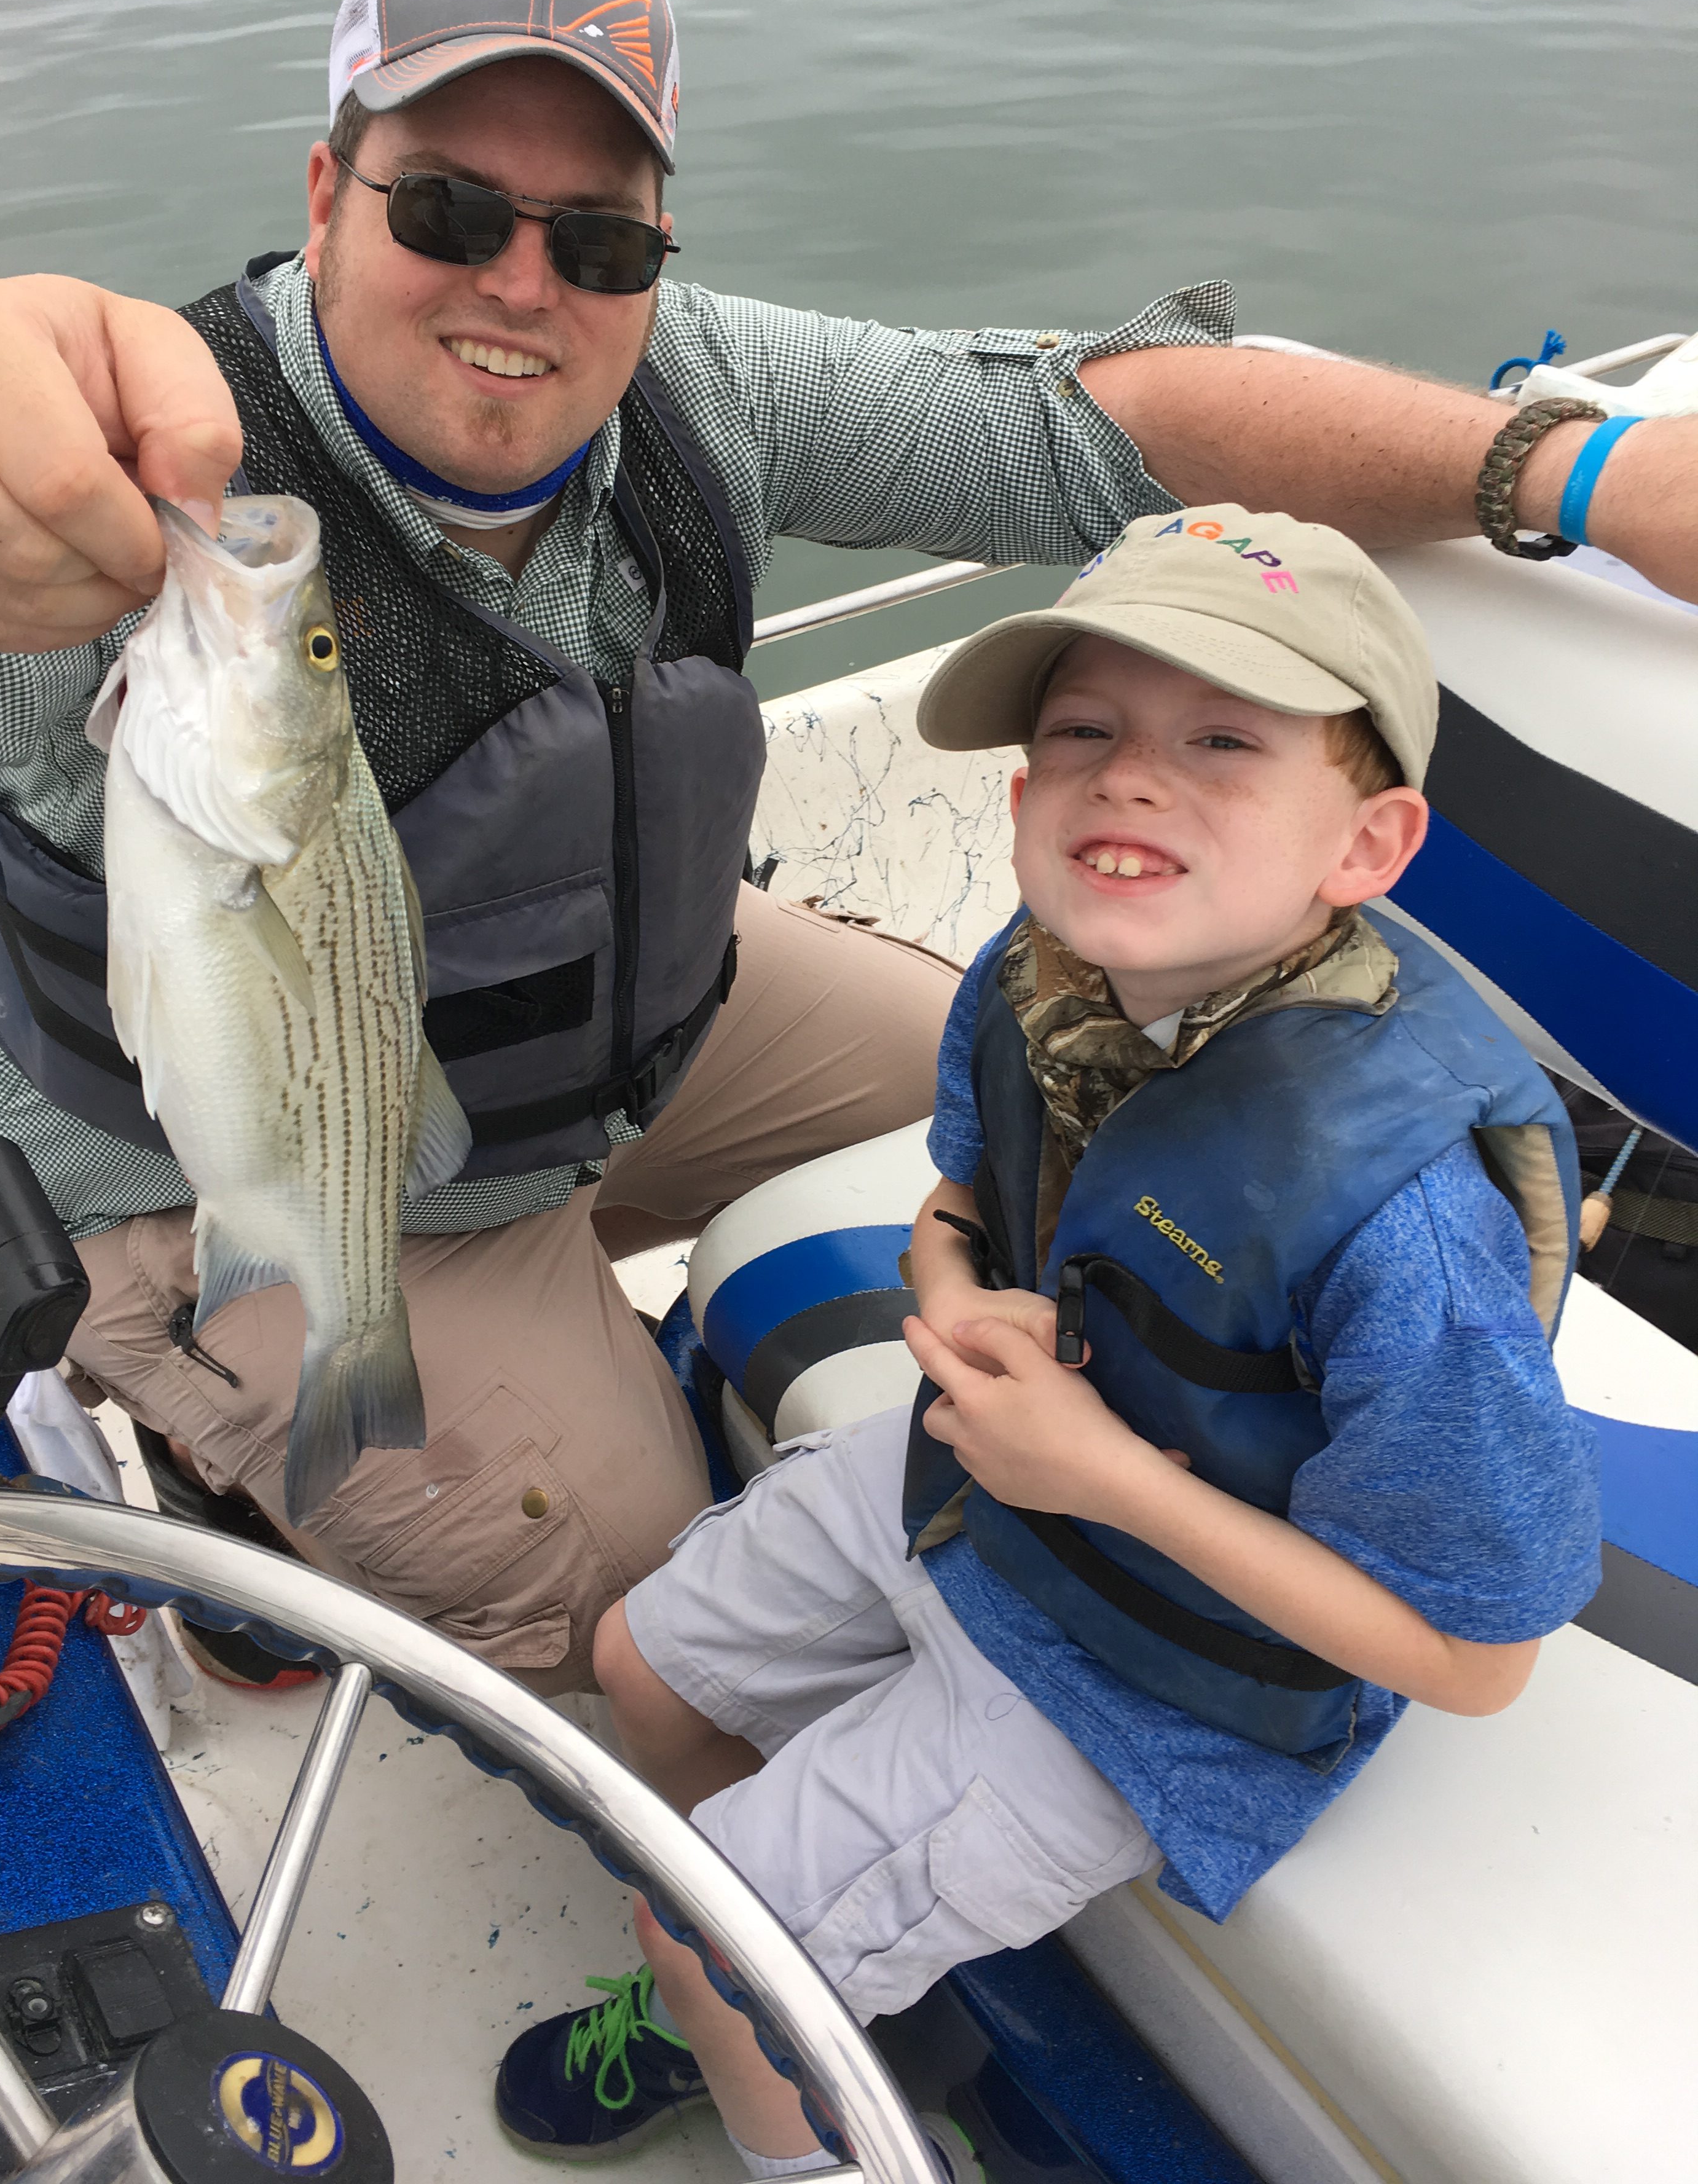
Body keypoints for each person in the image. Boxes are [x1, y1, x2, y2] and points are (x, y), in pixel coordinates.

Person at [0, 0, 1666, 1691]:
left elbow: (1091, 429)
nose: (523, 284)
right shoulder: (135, 510)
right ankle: (240, 1503)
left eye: (599, 240)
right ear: (326, 197)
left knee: (1038, 1099)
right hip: (221, 1155)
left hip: (612, 1023)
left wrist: (1578, 474)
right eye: (448, 207)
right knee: (658, 1622)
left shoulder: (697, 386)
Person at [490, 506, 1602, 2176]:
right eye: (1085, 732)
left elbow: (1477, 1661)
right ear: (1019, 804)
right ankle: (802, 1992)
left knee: (704, 1937)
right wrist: (948, 1298)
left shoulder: (1404, 1225)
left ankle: (774, 2041)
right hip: (990, 1492)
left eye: (1222, 742)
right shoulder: (1042, 985)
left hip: (1172, 1670)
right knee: (642, 1664)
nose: (1131, 779)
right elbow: (959, 1206)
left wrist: (1102, 1477)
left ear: (1367, 848)